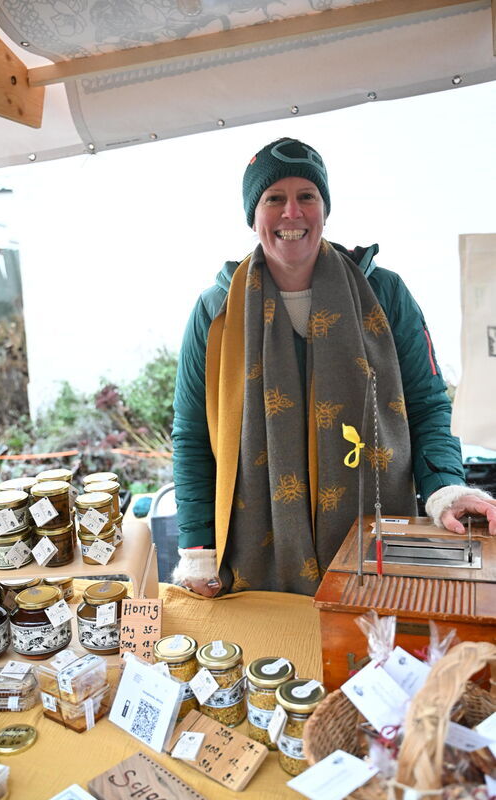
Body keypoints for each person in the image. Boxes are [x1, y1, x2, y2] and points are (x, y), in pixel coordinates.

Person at [171, 137, 496, 597]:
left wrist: (446, 488)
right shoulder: (215, 310)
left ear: (324, 208)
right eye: (274, 199)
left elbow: (426, 405)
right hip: (254, 545)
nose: (292, 212)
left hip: (375, 535)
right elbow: (191, 435)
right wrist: (197, 549)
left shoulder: (384, 293)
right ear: (253, 215)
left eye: (307, 196)